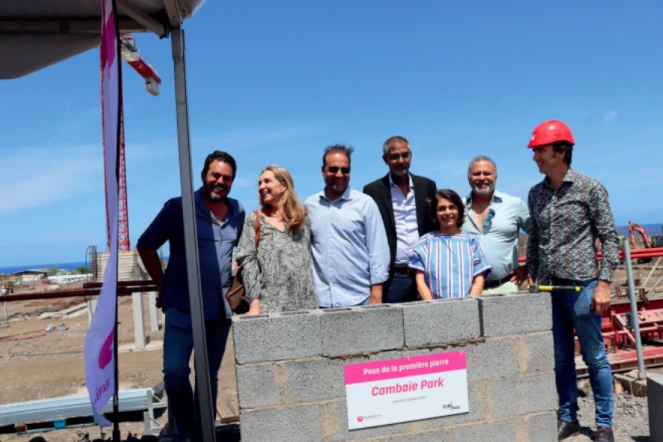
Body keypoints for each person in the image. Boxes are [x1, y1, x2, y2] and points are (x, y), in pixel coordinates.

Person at [137, 151, 245, 442]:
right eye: (215, 175)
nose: (220, 182)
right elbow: (146, 245)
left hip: (219, 312)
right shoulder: (179, 208)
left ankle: (203, 434)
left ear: (232, 181)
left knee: (207, 378)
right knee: (174, 372)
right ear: (203, 176)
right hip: (182, 308)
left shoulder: (238, 212)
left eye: (227, 178)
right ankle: (185, 430)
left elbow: (246, 254)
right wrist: (161, 284)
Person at [526, 120, 618, 442]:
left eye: (540, 149)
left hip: (583, 288)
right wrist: (533, 279)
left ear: (560, 151)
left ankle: (605, 424)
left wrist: (604, 283)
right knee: (561, 357)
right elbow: (535, 239)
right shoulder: (535, 194)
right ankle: (569, 418)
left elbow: (609, 238)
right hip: (549, 289)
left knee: (594, 357)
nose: (535, 156)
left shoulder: (589, 189)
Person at [306, 144, 390, 307]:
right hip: (321, 301)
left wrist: (376, 295)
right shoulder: (310, 206)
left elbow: (378, 250)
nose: (339, 174)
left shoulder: (365, 204)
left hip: (360, 299)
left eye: (345, 170)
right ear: (323, 170)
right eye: (333, 169)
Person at [363, 136, 438, 303]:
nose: (401, 160)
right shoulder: (372, 191)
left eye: (405, 155)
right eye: (394, 156)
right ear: (385, 159)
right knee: (392, 326)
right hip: (395, 278)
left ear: (411, 155)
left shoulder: (427, 186)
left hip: (427, 274)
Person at [234, 165, 318, 314]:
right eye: (260, 183)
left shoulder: (302, 219)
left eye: (267, 181)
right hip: (270, 308)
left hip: (306, 307)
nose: (261, 187)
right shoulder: (255, 219)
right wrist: (254, 304)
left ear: (283, 185)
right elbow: (247, 262)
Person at [462, 156, 530, 294]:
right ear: (469, 178)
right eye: (476, 174)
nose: (482, 178)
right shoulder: (457, 207)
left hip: (506, 288)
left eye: (487, 173)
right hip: (466, 290)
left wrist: (529, 266)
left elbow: (539, 235)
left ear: (496, 177)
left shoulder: (514, 205)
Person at [409, 189, 491, 299]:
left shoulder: (472, 242)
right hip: (434, 309)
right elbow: (420, 282)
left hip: (467, 308)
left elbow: (479, 280)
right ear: (434, 213)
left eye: (452, 207)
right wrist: (431, 307)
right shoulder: (424, 243)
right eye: (441, 209)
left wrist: (469, 306)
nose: (447, 212)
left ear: (459, 210)